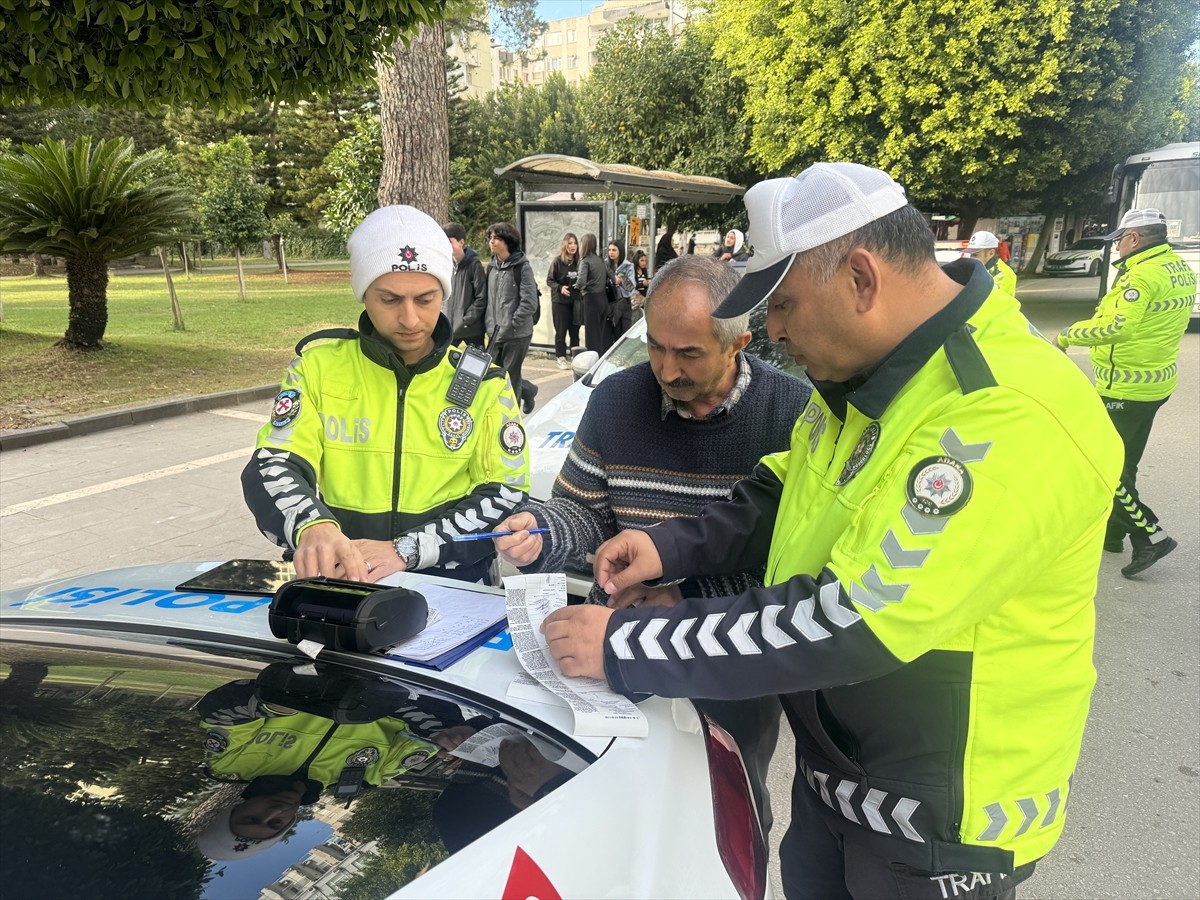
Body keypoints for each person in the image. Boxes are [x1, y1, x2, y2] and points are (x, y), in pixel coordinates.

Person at [541, 163, 1123, 900]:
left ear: (860, 278)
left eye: (783, 305)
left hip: (934, 828)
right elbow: (786, 491)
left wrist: (625, 647)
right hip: (839, 784)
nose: (772, 332)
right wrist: (669, 546)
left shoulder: (1003, 411)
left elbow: (850, 619)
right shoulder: (867, 386)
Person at [492, 255, 812, 835]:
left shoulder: (792, 413)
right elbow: (583, 513)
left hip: (730, 664)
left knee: (726, 817)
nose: (666, 369)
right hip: (611, 651)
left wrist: (686, 595)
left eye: (689, 354)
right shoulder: (617, 400)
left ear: (738, 341)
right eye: (657, 347)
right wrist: (541, 533)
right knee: (614, 812)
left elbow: (795, 566)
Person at [241, 205, 530, 585]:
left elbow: (506, 492)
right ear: (362, 293)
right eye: (390, 300)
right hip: (342, 582)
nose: (410, 319)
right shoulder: (317, 368)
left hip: (454, 591)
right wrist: (312, 527)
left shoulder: (485, 382)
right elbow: (274, 463)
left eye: (426, 299)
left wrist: (406, 549)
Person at [1056, 207, 1194, 576]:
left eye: (1118, 241)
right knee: (1123, 459)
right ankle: (1113, 534)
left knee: (1103, 464)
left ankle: (1151, 536)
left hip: (1127, 386)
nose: (1116, 248)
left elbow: (1117, 328)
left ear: (1133, 239)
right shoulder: (1177, 268)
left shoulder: (1141, 278)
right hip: (1156, 381)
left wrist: (1066, 335)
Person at [485, 221, 541, 415]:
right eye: (490, 238)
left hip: (517, 333)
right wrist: (489, 324)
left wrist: (513, 322)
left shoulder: (522, 267)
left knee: (510, 376)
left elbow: (529, 302)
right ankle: (529, 390)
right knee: (494, 374)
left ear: (507, 241)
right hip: (495, 332)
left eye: (496, 238)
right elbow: (489, 300)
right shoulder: (492, 267)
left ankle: (511, 421)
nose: (491, 242)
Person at [443, 222, 487, 347]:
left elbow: (481, 297)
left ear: (461, 242)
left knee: (477, 365)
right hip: (450, 328)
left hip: (471, 329)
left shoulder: (474, 265)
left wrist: (466, 320)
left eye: (449, 242)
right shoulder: (447, 265)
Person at [546, 232, 582, 369]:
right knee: (561, 331)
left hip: (575, 302)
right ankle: (560, 357)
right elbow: (549, 280)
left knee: (575, 332)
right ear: (565, 245)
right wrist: (560, 288)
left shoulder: (579, 262)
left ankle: (576, 358)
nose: (573, 246)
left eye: (575, 243)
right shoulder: (557, 262)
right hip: (560, 302)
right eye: (570, 243)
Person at [576, 232, 612, 354]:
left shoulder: (585, 261)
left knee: (591, 336)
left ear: (584, 245)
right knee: (600, 334)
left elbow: (581, 281)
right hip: (603, 299)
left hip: (591, 299)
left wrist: (575, 287)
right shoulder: (600, 260)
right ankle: (600, 359)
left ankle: (592, 364)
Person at [965, 230, 1017, 296]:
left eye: (975, 255)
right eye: (970, 254)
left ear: (991, 253)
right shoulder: (980, 267)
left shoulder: (1003, 275)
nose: (971, 258)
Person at [606, 240, 637, 341]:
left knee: (624, 333)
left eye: (614, 250)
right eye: (609, 250)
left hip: (624, 302)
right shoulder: (605, 264)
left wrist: (620, 280)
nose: (611, 252)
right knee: (611, 333)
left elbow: (631, 287)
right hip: (610, 302)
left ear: (620, 251)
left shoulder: (628, 266)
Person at [632, 250, 651, 321]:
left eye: (645, 260)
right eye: (642, 260)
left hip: (643, 298)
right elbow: (632, 285)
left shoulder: (644, 271)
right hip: (635, 299)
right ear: (637, 260)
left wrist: (647, 284)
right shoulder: (633, 271)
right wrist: (642, 284)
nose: (644, 263)